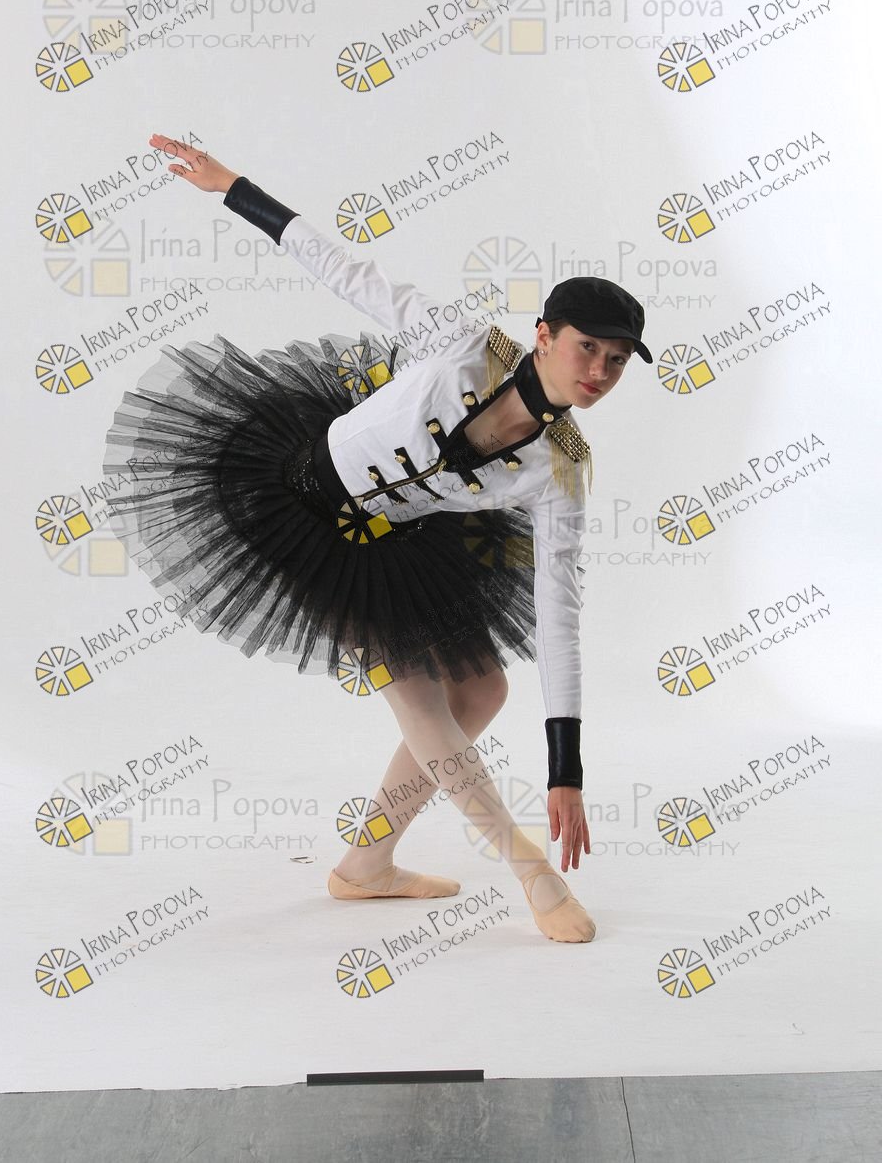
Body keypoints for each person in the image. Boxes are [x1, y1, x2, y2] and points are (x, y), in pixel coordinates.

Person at [102, 135, 653, 944]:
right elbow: (348, 272)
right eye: (587, 348)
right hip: (301, 507)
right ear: (544, 335)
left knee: (483, 693)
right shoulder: (464, 343)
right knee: (422, 699)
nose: (599, 371)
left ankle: (365, 865)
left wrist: (564, 770)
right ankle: (532, 874)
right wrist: (235, 189)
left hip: (396, 540)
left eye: (617, 360)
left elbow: (559, 615)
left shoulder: (561, 469)